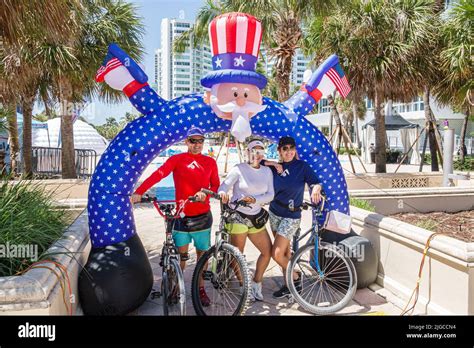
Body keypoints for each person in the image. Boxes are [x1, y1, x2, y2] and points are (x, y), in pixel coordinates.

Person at [131, 126, 220, 307]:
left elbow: (216, 185)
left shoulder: (210, 162)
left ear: (204, 142)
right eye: (193, 141)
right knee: (182, 257)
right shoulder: (177, 159)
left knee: (203, 256)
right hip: (181, 217)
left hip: (203, 217)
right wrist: (139, 191)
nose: (197, 144)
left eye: (200, 141)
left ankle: (200, 289)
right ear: (186, 142)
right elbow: (158, 174)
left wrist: (207, 194)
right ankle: (175, 288)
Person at [262, 136, 323, 299]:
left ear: (295, 150)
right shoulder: (275, 168)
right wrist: (274, 163)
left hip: (292, 215)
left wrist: (316, 188)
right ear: (279, 151)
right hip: (274, 213)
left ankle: (295, 277)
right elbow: (255, 162)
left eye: (291, 148)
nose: (288, 151)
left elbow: (315, 182)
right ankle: (289, 285)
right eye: (285, 148)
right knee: (286, 253)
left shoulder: (302, 166)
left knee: (277, 253)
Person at [217, 139, 274, 301]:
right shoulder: (239, 169)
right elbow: (223, 187)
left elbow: (271, 195)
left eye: (260, 151)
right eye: (253, 151)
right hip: (238, 216)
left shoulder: (267, 171)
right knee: (238, 255)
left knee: (267, 252)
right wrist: (223, 193)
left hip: (256, 217)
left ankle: (256, 282)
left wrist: (254, 199)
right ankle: (244, 286)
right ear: (247, 152)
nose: (256, 154)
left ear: (263, 153)